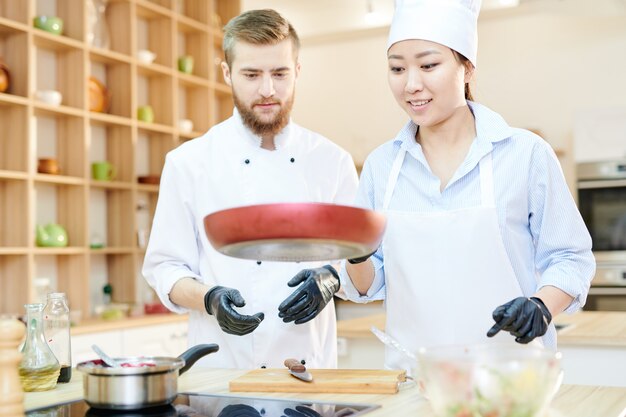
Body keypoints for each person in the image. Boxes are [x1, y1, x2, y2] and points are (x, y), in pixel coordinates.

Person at [340, 0, 595, 373]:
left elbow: (570, 258)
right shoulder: (382, 166)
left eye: (429, 65)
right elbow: (367, 285)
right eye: (397, 68)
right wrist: (355, 253)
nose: (412, 84)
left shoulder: (524, 154)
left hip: (512, 381)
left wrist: (541, 306)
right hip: (415, 381)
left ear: (467, 68)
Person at [143, 9, 358, 369]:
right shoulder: (188, 163)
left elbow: (363, 262)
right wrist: (210, 298)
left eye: (279, 73)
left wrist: (331, 278)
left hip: (310, 373)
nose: (267, 90)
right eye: (251, 74)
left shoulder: (332, 161)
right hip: (221, 372)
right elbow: (166, 269)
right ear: (226, 73)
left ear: (298, 71)